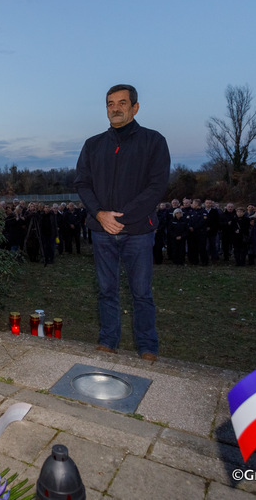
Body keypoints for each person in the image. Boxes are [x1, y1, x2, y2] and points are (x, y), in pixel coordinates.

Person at [74, 84, 170, 361]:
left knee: (141, 293)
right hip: (102, 230)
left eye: (122, 103)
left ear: (135, 107)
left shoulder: (153, 141)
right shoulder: (93, 145)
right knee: (106, 291)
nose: (115, 108)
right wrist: (100, 214)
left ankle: (147, 346)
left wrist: (122, 218)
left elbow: (157, 186)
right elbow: (82, 183)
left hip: (138, 231)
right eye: (110, 104)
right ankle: (108, 341)